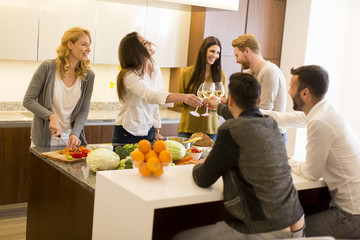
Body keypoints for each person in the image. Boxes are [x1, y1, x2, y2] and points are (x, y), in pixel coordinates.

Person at [173, 73, 305, 240]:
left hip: (268, 228)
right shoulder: (271, 124)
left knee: (180, 237)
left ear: (231, 101)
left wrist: (203, 163)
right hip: (298, 223)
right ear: (258, 101)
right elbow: (247, 119)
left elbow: (203, 178)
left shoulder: (230, 130)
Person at [260, 65, 360, 239]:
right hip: (348, 209)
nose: (289, 91)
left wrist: (285, 161)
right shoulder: (323, 111)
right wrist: (249, 112)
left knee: (291, 233)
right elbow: (284, 118)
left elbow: (312, 173)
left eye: (291, 87)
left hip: (351, 217)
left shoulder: (320, 121)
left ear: (305, 93)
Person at [112, 32, 202, 144]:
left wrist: (156, 130)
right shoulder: (128, 75)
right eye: (144, 42)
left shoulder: (155, 70)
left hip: (148, 131)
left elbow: (155, 102)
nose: (150, 43)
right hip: (128, 132)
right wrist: (183, 97)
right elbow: (150, 96)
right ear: (135, 50)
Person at [23, 27, 94, 150]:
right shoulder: (48, 68)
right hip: (44, 140)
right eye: (84, 44)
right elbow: (28, 100)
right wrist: (51, 116)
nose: (88, 49)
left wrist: (75, 133)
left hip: (71, 141)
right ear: (70, 44)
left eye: (89, 45)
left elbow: (84, 109)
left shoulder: (88, 75)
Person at [232, 33, 287, 144]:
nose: (236, 61)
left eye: (237, 55)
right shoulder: (249, 73)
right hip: (259, 131)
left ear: (247, 51)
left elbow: (264, 112)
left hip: (273, 136)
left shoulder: (269, 71)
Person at [176, 36, 226, 141]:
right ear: (203, 50)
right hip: (188, 128)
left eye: (218, 53)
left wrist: (215, 105)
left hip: (210, 129)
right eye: (212, 51)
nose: (215, 55)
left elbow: (222, 101)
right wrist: (189, 101)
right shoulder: (186, 73)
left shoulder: (221, 75)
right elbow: (178, 102)